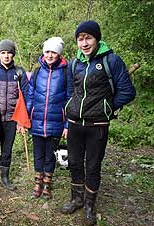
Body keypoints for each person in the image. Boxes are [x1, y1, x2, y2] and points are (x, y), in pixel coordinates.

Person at [61, 20, 136, 225]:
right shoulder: (74, 63)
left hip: (98, 126)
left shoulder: (112, 60)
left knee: (93, 165)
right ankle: (76, 199)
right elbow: (70, 90)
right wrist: (70, 107)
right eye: (80, 39)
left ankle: (89, 205)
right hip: (75, 123)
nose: (84, 43)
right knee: (75, 163)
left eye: (88, 38)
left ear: (97, 38)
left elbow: (128, 91)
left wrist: (107, 108)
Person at [26, 37, 68, 200]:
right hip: (36, 121)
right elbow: (30, 95)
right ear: (43, 53)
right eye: (47, 51)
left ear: (59, 54)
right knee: (38, 154)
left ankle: (47, 183)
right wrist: (27, 117)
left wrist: (67, 125)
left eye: (54, 52)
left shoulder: (65, 72)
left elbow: (70, 98)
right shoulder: (37, 72)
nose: (50, 55)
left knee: (50, 154)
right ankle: (37, 182)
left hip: (56, 121)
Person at [0, 39, 29, 192]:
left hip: (11, 119)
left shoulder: (19, 72)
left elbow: (26, 96)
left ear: (13, 55)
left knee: (7, 150)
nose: (6, 56)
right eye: (3, 53)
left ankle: (4, 177)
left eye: (9, 53)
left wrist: (21, 121)